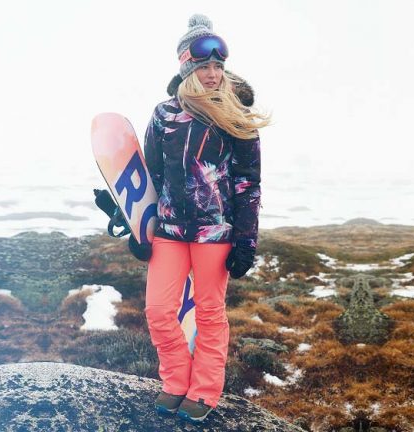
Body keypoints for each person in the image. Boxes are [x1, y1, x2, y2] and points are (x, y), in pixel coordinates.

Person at [140, 14, 270, 424]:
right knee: (159, 310)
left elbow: (248, 183)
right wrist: (135, 223)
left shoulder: (236, 116)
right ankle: (176, 380)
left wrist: (246, 239)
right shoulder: (163, 115)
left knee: (210, 313)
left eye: (218, 66)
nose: (213, 74)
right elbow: (152, 175)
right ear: (186, 68)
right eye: (203, 66)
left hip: (216, 232)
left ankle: (204, 390)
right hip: (170, 230)